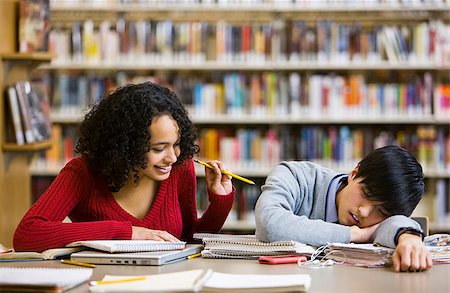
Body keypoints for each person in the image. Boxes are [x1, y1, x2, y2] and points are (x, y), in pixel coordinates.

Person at [14, 82, 235, 252]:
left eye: (176, 145)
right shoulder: (82, 172)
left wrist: (219, 203)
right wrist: (126, 232)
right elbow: (28, 235)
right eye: (159, 148)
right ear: (126, 146)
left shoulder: (179, 169)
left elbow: (188, 240)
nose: (172, 157)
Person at [255, 145, 432, 272]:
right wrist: (354, 234)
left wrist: (409, 237)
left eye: (382, 212)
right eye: (366, 193)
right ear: (354, 173)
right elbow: (269, 223)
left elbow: (397, 222)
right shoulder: (294, 175)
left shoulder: (382, 219)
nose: (364, 211)